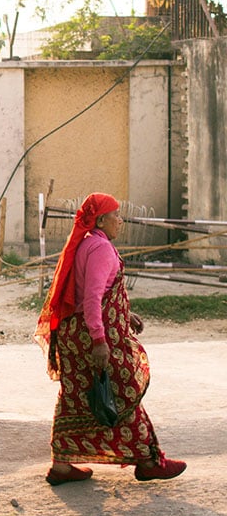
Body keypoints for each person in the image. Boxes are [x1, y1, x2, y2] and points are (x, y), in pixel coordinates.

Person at [35, 192, 187, 486]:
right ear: (101, 220)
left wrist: (126, 315)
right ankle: (149, 461)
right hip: (92, 336)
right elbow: (92, 299)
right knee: (126, 391)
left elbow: (93, 294)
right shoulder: (101, 249)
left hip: (75, 334)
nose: (121, 220)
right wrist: (99, 341)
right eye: (115, 215)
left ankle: (62, 464)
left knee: (76, 395)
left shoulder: (87, 244)